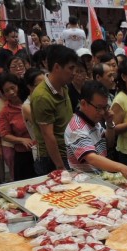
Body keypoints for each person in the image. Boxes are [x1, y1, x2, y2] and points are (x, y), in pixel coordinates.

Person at [65, 80, 127, 184]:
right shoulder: (77, 128)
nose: (103, 112)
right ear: (83, 103)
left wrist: (109, 123)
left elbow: (108, 143)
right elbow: (92, 158)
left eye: (105, 107)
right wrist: (121, 167)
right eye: (99, 108)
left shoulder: (94, 121)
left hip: (100, 178)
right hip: (85, 182)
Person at [31, 45, 77, 175]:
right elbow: (48, 135)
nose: (74, 72)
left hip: (68, 150)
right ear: (57, 67)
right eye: (70, 68)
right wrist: (60, 167)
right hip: (52, 158)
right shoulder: (42, 96)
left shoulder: (64, 86)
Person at [0, 73, 36, 181]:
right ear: (3, 93)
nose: (11, 92)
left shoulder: (31, 101)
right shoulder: (5, 112)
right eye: (6, 90)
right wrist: (21, 140)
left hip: (41, 151)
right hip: (23, 154)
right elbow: (4, 134)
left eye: (13, 88)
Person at [22, 67, 45, 141]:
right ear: (29, 87)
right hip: (41, 146)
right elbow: (43, 127)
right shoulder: (27, 106)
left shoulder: (47, 98)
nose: (44, 87)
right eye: (39, 85)